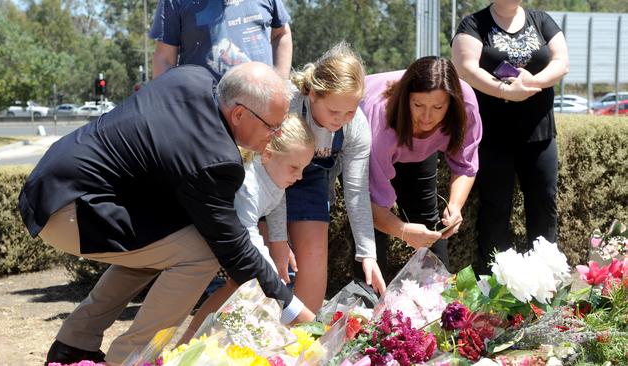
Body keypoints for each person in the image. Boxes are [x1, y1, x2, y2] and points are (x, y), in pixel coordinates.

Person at [18, 62, 315, 366]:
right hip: (73, 209)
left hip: (52, 182)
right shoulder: (216, 159)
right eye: (271, 126)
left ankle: (75, 344)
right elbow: (234, 252)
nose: (275, 134)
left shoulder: (192, 76)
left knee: (168, 244)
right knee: (202, 254)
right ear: (239, 114)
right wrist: (289, 305)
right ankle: (128, 360)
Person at [267, 42, 386, 314]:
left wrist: (367, 253)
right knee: (270, 261)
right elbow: (269, 177)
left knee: (314, 261)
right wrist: (277, 238)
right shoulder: (287, 107)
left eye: (349, 112)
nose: (341, 120)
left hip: (314, 180)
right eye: (334, 112)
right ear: (313, 95)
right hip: (270, 178)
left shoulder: (356, 127)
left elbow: (355, 192)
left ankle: (301, 342)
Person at [451, 0, 569, 274]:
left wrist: (532, 83)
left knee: (544, 203)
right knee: (496, 207)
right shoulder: (473, 23)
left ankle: (545, 281)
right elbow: (465, 68)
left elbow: (561, 63)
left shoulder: (541, 20)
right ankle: (495, 283)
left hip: (540, 134)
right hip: (493, 136)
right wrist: (505, 92)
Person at [177, 113, 315, 344]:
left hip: (228, 240)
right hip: (205, 240)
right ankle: (195, 341)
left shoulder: (274, 172)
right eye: (295, 168)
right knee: (243, 287)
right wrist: (271, 275)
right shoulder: (249, 185)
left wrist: (279, 244)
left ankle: (196, 340)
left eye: (303, 169)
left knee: (237, 288)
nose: (299, 176)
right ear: (268, 155)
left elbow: (276, 204)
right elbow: (247, 233)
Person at [358, 56, 482, 280]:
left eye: (437, 107)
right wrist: (402, 231)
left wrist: (455, 206)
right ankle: (369, 302)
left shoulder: (466, 103)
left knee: (429, 224)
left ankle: (441, 302)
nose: (427, 117)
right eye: (418, 105)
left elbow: (466, 164)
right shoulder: (380, 117)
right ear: (406, 99)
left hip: (416, 152)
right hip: (372, 143)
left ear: (451, 103)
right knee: (372, 235)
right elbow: (368, 206)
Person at [150, 0, 292, 79]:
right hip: (203, 114)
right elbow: (165, 59)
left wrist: (281, 81)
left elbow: (281, 34)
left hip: (262, 111)